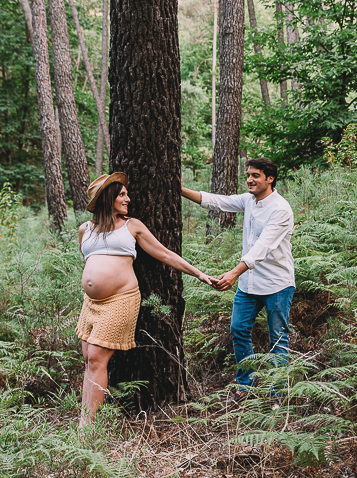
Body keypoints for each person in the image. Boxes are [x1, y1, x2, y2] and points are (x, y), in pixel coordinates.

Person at [77, 172, 214, 425]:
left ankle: (88, 429)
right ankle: (83, 422)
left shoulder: (132, 226)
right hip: (91, 304)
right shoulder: (85, 229)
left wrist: (199, 274)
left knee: (95, 359)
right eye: (121, 194)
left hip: (120, 300)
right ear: (107, 198)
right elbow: (90, 260)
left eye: (126, 194)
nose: (128, 199)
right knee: (88, 360)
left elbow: (165, 254)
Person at [182, 158, 295, 400]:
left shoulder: (281, 209)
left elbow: (262, 247)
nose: (249, 180)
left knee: (278, 338)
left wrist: (234, 273)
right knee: (238, 329)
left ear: (270, 179)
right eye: (248, 175)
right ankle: (246, 386)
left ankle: (278, 394)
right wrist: (181, 190)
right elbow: (217, 201)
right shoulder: (248, 200)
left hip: (277, 284)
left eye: (255, 175)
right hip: (249, 284)